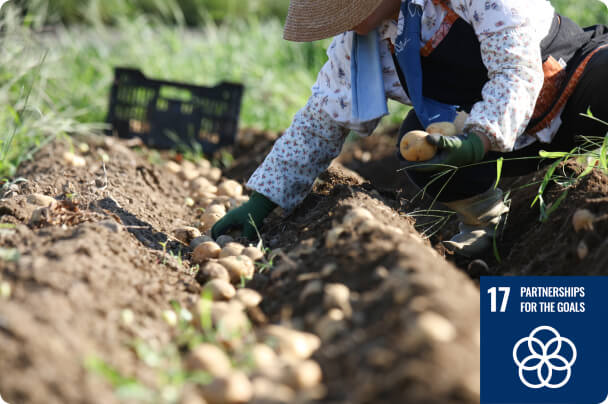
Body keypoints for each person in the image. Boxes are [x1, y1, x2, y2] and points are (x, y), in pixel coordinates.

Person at [212, 0, 608, 257]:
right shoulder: (364, 41)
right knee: (417, 142)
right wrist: (263, 201)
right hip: (494, 146)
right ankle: (484, 221)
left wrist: (481, 137)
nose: (346, 21)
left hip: (568, 83)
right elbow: (321, 120)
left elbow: (515, 70)